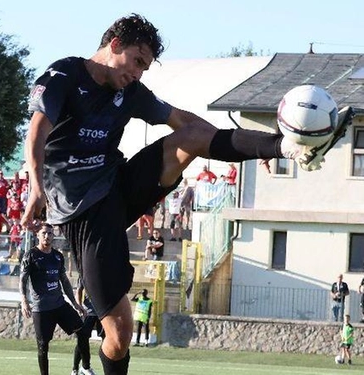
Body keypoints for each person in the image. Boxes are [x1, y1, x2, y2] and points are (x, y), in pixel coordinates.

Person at [20, 13, 353, 375]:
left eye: (145, 67)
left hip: (118, 184)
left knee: (192, 138)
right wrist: (36, 187)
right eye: (137, 61)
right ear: (114, 45)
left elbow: (189, 124)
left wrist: (257, 148)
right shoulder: (64, 76)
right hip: (82, 212)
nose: (139, 73)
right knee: (119, 333)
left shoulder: (130, 92)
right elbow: (37, 131)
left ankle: (291, 147)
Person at [19, 222, 96, 375]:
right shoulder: (31, 255)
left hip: (60, 305)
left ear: (53, 236)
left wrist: (75, 304)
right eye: (44, 233)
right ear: (38, 235)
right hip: (41, 309)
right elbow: (23, 279)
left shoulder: (57, 256)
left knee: (82, 331)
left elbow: (64, 281)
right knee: (43, 345)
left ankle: (85, 368)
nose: (47, 236)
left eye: (50, 233)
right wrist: (24, 300)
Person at [71, 277, 105, 375]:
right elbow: (79, 290)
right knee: (83, 339)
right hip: (89, 313)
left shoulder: (106, 271)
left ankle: (108, 368)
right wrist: (79, 306)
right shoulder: (85, 273)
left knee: (106, 339)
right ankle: (76, 369)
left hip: (102, 313)